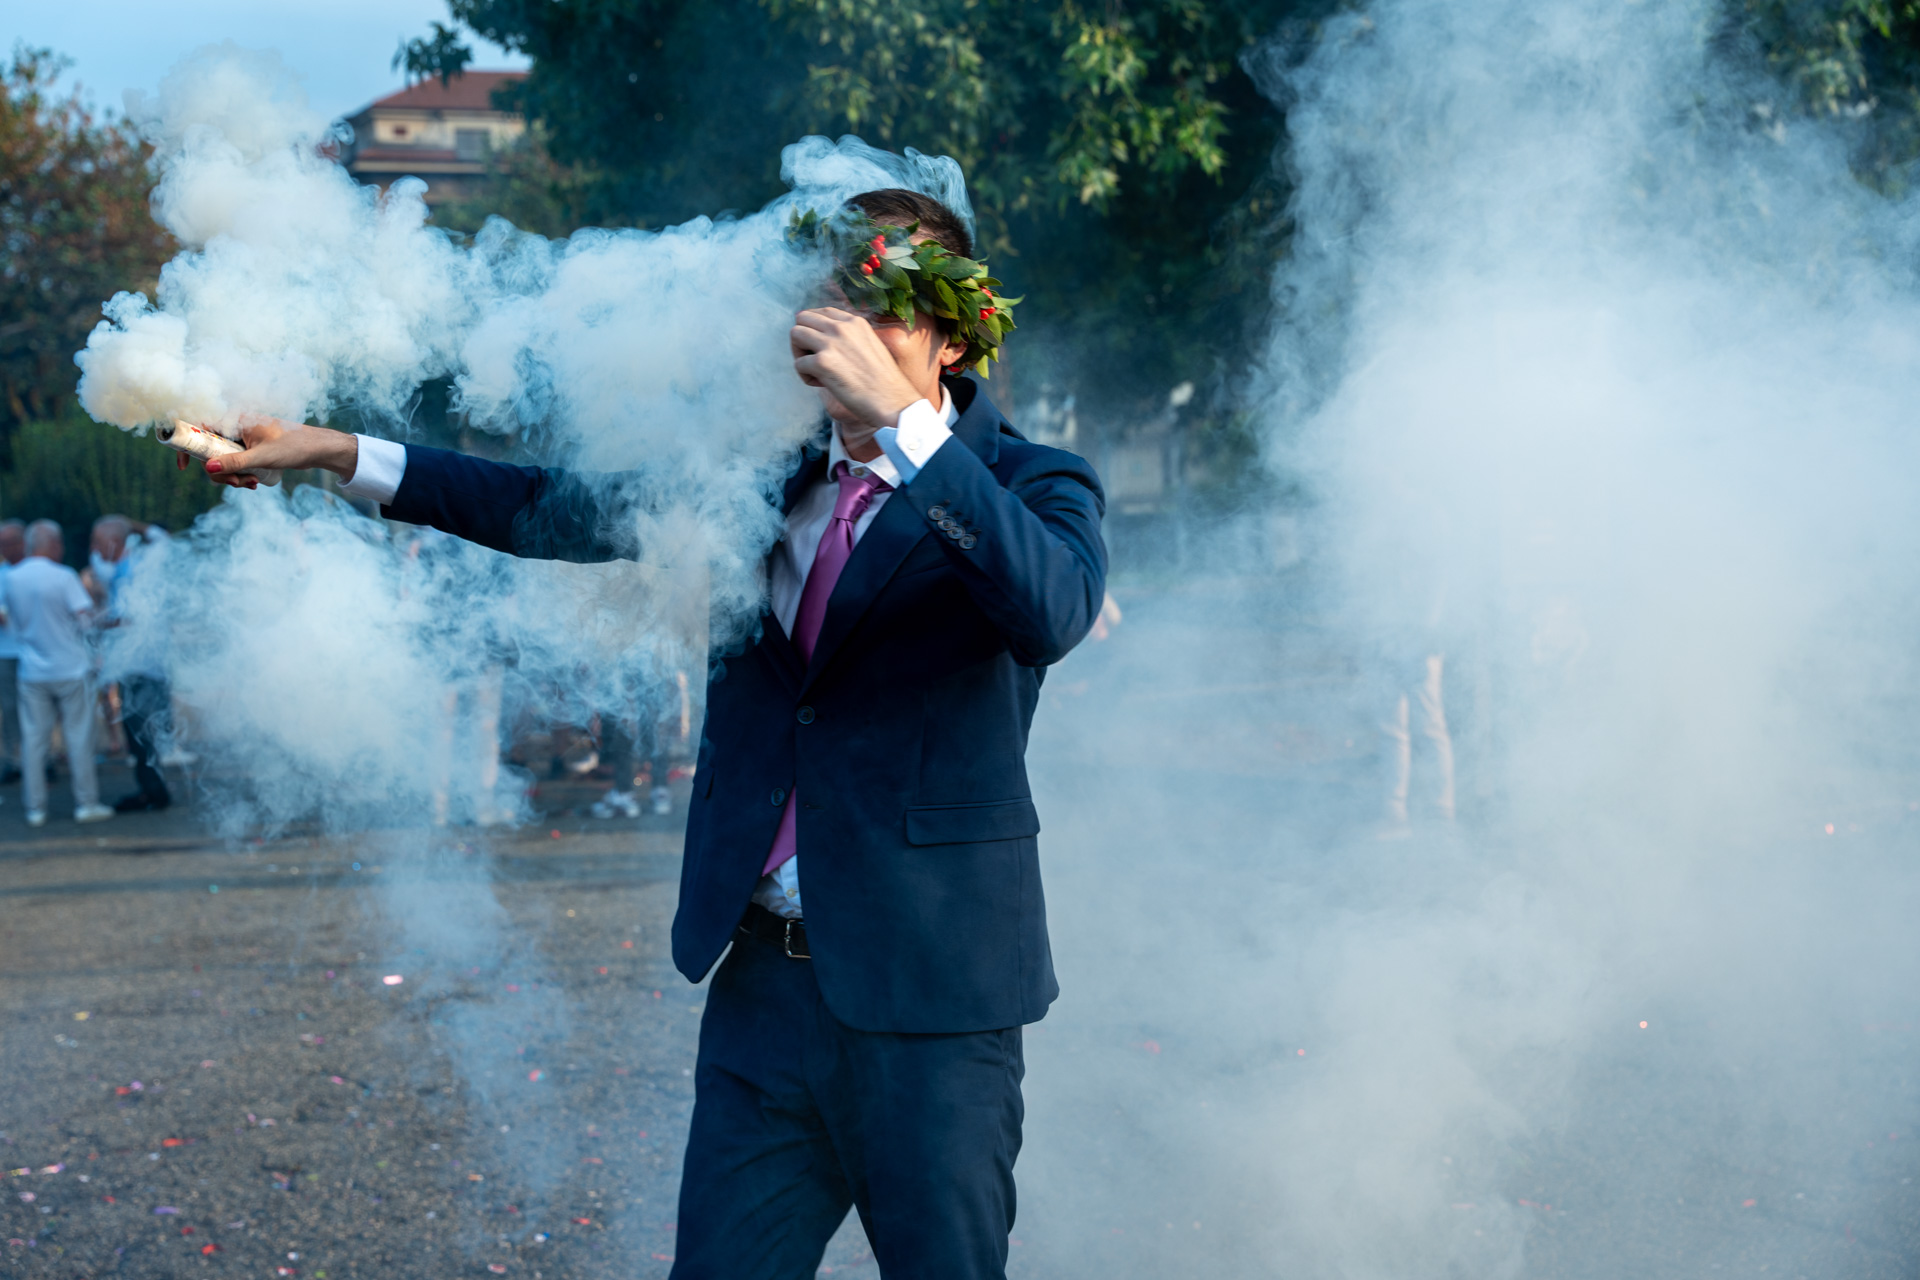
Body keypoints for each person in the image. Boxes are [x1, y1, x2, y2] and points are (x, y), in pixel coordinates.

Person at [200, 184, 1105, 1279]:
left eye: (883, 315)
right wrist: (341, 451)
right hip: (761, 988)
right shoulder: (763, 476)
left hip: (933, 996)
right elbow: (547, 504)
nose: (845, 339)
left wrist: (908, 429)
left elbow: (1051, 609)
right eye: (830, 307)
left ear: (953, 338)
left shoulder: (1029, 481)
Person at [0, 520, 112, 826]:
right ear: (52, 544)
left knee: (34, 741)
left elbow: (9, 619)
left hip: (31, 670)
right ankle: (86, 803)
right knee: (78, 737)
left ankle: (35, 808)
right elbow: (85, 620)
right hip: (71, 668)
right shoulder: (63, 576)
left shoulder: (12, 578)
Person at [90, 515, 174, 812]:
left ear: (114, 542)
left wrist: (99, 622)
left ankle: (154, 792)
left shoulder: (136, 568)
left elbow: (132, 617)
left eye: (98, 542)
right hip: (134, 663)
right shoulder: (125, 567)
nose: (95, 550)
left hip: (141, 664)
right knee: (139, 730)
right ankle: (151, 789)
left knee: (140, 731)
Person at [0, 520, 26, 782]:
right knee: (9, 708)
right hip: (6, 651)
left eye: (8, 543)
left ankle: (44, 758)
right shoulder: (1, 574)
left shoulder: (36, 570)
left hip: (34, 651)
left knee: (39, 708)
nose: (4, 549)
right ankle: (12, 759)